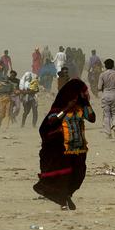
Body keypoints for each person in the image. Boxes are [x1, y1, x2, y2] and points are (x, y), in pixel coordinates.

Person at [33, 79, 95, 210]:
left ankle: (67, 195)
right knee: (64, 175)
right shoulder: (58, 108)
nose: (85, 94)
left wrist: (86, 102)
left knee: (79, 174)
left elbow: (92, 118)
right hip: (62, 148)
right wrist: (67, 108)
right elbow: (52, 121)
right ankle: (63, 199)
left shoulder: (80, 108)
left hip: (78, 147)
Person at [97, 59, 115, 138]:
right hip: (114, 95)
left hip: (105, 95)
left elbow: (99, 87)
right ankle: (114, 126)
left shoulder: (102, 75)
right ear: (113, 65)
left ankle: (108, 133)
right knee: (114, 113)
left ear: (105, 66)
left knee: (106, 115)